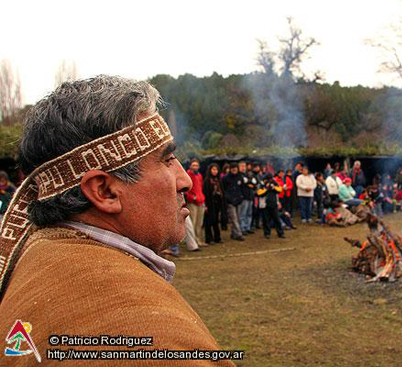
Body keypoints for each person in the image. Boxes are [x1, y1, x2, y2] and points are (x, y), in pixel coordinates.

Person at [0, 76, 234, 366]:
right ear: (105, 191)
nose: (185, 180)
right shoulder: (149, 342)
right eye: (167, 159)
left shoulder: (38, 257)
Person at [221, 162, 245, 241]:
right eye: (233, 168)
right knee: (234, 218)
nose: (234, 170)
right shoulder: (225, 178)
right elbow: (223, 190)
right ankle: (239, 234)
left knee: (237, 218)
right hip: (230, 202)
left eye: (235, 168)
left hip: (238, 200)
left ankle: (234, 233)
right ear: (230, 169)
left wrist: (241, 197)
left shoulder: (240, 177)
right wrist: (227, 198)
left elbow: (242, 188)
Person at [257, 174, 284, 239]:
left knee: (277, 220)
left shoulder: (275, 183)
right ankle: (267, 233)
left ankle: (280, 233)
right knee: (266, 220)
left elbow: (280, 190)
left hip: (274, 204)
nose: (270, 181)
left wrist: (273, 187)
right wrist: (266, 189)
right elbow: (259, 193)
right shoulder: (261, 184)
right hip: (265, 205)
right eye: (268, 179)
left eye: (271, 179)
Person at [186, 158, 206, 246]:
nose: (195, 167)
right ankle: (193, 241)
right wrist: (192, 198)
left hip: (201, 201)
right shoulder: (188, 175)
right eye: (193, 165)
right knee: (192, 223)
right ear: (190, 166)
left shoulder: (199, 175)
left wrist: (202, 198)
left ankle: (198, 240)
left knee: (199, 223)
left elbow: (201, 187)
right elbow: (186, 189)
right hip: (192, 202)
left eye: (197, 165)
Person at [203, 163, 223, 244]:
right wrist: (206, 205)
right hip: (209, 203)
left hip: (217, 203)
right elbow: (205, 193)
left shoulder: (218, 180)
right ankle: (209, 238)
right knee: (208, 221)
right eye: (213, 169)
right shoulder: (207, 180)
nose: (215, 171)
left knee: (216, 221)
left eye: (216, 170)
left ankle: (217, 237)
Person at [238, 161, 256, 235]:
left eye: (244, 166)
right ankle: (242, 228)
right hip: (243, 197)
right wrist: (249, 182)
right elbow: (243, 184)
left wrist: (249, 182)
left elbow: (254, 183)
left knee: (249, 213)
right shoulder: (238, 175)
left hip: (250, 196)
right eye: (241, 166)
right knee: (243, 214)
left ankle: (247, 227)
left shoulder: (248, 174)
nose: (243, 168)